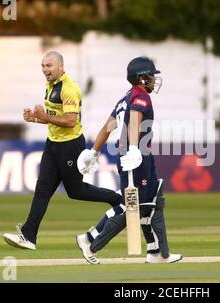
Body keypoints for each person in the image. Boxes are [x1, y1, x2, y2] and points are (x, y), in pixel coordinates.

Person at [3, 51, 122, 250]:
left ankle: (117, 200)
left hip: (70, 146)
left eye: (49, 66)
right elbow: (55, 115)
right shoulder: (51, 85)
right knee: (42, 190)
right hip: (53, 145)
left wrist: (45, 117)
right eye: (43, 66)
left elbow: (70, 120)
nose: (45, 70)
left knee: (76, 191)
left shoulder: (69, 88)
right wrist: (35, 117)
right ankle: (28, 235)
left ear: (60, 67)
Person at [75, 56, 182, 264]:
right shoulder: (140, 97)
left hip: (139, 155)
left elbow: (108, 127)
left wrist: (93, 152)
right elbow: (134, 121)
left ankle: (155, 252)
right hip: (135, 158)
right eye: (151, 75)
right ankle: (89, 239)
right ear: (141, 78)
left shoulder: (125, 98)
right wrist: (134, 149)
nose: (154, 79)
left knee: (151, 203)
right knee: (131, 206)